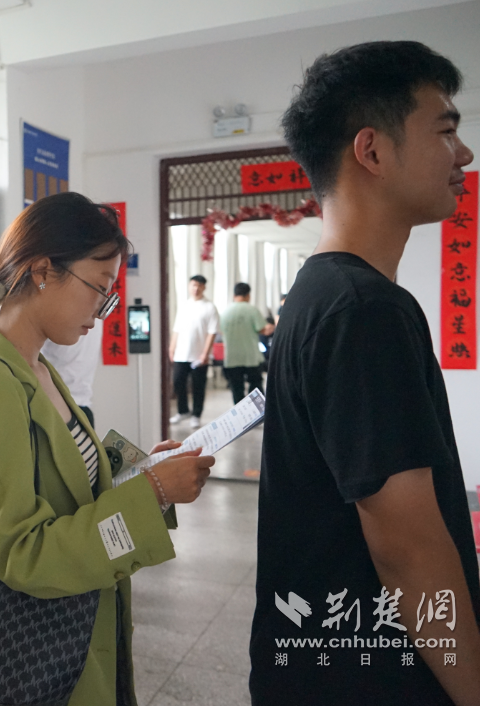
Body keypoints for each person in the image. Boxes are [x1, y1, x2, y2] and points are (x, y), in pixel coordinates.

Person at [250, 41, 480, 705]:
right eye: (444, 130)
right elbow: (407, 550)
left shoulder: (319, 292)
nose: (463, 153)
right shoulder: (364, 310)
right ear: (372, 151)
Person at [0, 192, 215, 706]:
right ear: (43, 270)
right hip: (27, 662)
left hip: (71, 636)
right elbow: (24, 554)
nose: (102, 312)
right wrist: (152, 493)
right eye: (99, 290)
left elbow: (69, 486)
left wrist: (146, 472)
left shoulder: (38, 369)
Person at [168, 274, 219, 428]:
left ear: (204, 287)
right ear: (189, 286)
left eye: (199, 285)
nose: (195, 288)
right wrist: (172, 347)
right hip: (181, 354)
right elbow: (177, 329)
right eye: (193, 285)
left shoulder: (209, 307)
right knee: (178, 382)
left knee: (198, 386)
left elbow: (212, 332)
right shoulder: (184, 305)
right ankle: (183, 411)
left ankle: (196, 414)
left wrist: (205, 353)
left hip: (199, 356)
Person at [219, 282, 274, 404]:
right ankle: (257, 412)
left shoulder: (225, 312)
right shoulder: (252, 310)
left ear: (234, 295)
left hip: (232, 357)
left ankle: (240, 413)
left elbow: (221, 331)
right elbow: (263, 330)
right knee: (255, 386)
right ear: (248, 295)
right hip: (251, 357)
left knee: (236, 388)